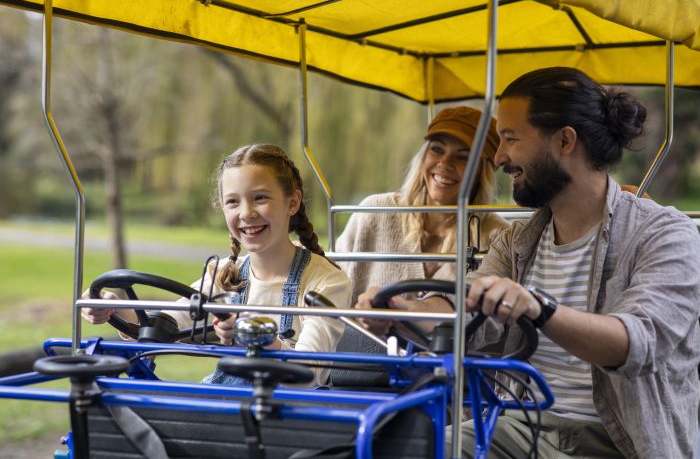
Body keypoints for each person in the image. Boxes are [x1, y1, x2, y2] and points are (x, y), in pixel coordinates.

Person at [448, 67, 700, 458]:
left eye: (511, 139)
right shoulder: (516, 241)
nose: (499, 157)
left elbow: (636, 343)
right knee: (417, 442)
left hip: (620, 440)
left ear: (565, 141)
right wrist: (404, 310)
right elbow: (465, 312)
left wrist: (537, 307)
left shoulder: (667, 234)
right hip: (519, 426)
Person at [82, 143, 352, 386]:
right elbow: (166, 324)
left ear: (292, 202)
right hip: (226, 406)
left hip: (297, 417)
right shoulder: (222, 275)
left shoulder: (326, 282)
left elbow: (310, 373)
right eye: (233, 202)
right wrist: (117, 308)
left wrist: (257, 338)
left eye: (260, 198)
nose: (246, 213)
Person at [337, 106, 509, 312]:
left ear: (483, 172)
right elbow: (332, 282)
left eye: (463, 157)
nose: (445, 163)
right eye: (437, 149)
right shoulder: (375, 212)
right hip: (363, 343)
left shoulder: (497, 237)